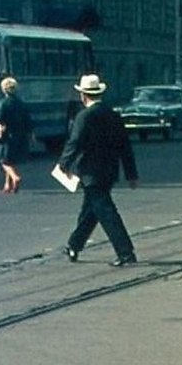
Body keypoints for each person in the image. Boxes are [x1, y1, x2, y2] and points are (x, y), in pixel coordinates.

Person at [57, 73, 139, 267]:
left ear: (83, 95)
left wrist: (63, 163)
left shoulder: (84, 116)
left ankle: (126, 252)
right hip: (109, 171)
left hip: (90, 172)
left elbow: (75, 142)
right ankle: (74, 245)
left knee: (107, 212)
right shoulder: (113, 115)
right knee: (91, 211)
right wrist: (131, 174)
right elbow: (125, 147)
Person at [0, 77, 33, 193]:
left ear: (4, 89)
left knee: (4, 160)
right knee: (11, 160)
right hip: (20, 134)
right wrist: (31, 133)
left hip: (6, 135)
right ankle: (8, 185)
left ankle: (15, 177)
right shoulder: (21, 103)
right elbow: (27, 119)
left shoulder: (3, 103)